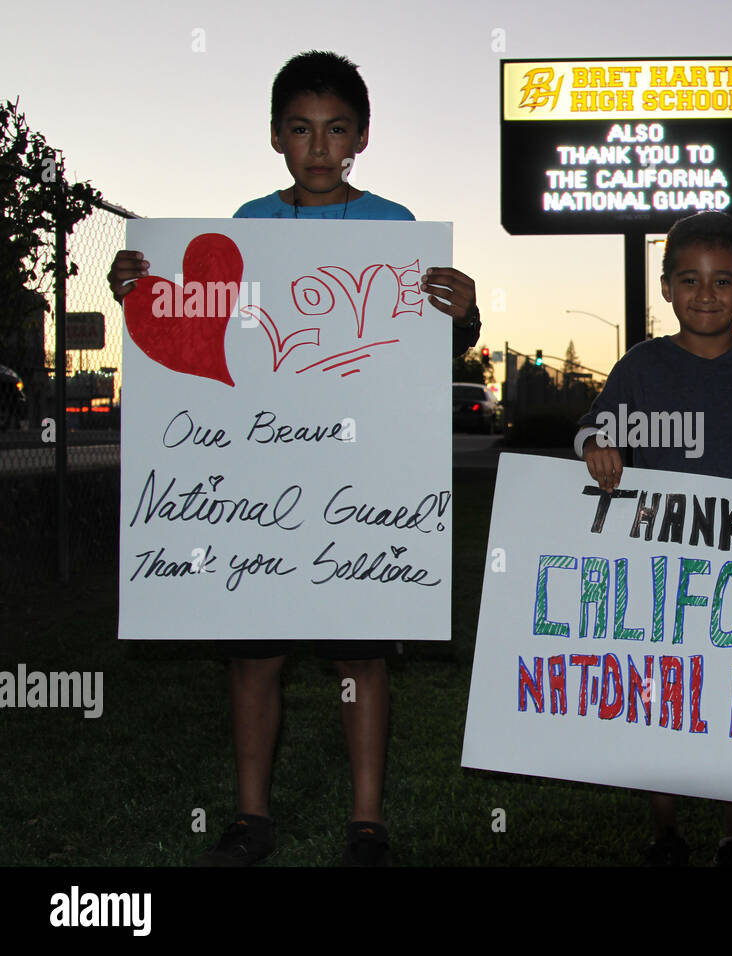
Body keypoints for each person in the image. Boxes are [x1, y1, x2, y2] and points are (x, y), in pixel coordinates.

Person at [107, 50, 481, 866]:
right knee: (254, 655)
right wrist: (137, 285)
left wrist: (465, 313)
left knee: (361, 656)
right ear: (275, 136)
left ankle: (367, 820)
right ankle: (251, 817)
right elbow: (213, 325)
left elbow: (427, 345)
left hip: (360, 478)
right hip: (264, 478)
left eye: (336, 130)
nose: (319, 148)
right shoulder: (246, 223)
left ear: (363, 137)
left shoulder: (396, 227)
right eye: (301, 130)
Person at [576, 210, 732, 866]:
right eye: (689, 279)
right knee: (664, 694)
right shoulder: (641, 366)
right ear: (666, 287)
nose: (707, 294)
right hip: (658, 562)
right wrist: (597, 445)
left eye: (723, 280)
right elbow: (592, 427)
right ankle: (664, 830)